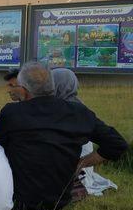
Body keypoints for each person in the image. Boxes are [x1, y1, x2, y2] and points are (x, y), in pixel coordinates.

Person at [0, 62, 127, 210]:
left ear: (24, 88)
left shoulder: (11, 113)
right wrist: (80, 164)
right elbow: (117, 144)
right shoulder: (78, 112)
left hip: (16, 202)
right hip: (59, 202)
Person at [51, 68, 118, 197]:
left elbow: (115, 142)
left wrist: (80, 164)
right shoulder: (77, 105)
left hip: (73, 163)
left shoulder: (72, 110)